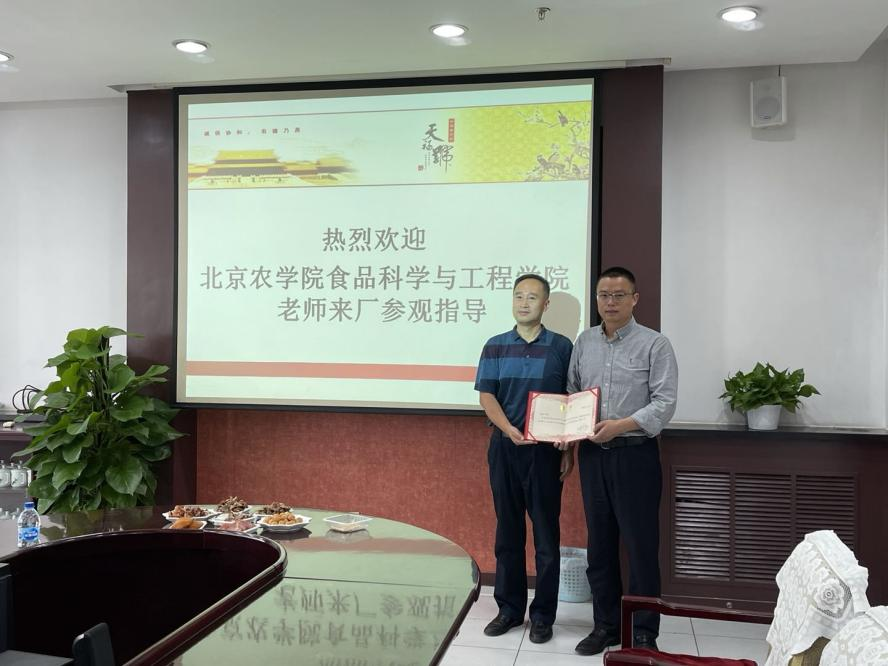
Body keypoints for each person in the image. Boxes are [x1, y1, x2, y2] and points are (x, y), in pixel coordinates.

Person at [562, 266, 678, 656]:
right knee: (600, 545)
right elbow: (573, 391)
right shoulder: (584, 342)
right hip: (594, 456)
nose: (610, 302)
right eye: (603, 295)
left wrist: (620, 426)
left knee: (641, 547)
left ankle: (644, 632)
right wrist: (570, 430)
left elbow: (664, 403)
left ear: (634, 299)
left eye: (618, 295)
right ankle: (606, 626)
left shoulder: (655, 344)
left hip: (635, 455)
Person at [474, 273, 575, 645]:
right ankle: (509, 610)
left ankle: (544, 616)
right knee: (508, 532)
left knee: (546, 536)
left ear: (545, 304)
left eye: (532, 297)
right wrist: (508, 429)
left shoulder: (562, 346)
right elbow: (486, 396)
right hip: (505, 449)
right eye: (518, 296)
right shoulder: (496, 345)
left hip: (546, 453)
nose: (524, 302)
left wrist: (569, 448)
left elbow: (572, 399)